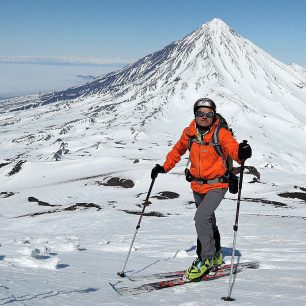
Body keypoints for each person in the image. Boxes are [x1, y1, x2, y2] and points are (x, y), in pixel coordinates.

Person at [151, 98, 252, 280]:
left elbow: (233, 149)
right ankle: (215, 254)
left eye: (209, 114)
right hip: (197, 184)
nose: (204, 117)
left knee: (201, 217)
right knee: (208, 220)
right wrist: (164, 167)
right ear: (195, 114)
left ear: (214, 115)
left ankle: (205, 259)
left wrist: (242, 153)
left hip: (217, 184)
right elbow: (177, 150)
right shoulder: (189, 132)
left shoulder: (220, 134)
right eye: (200, 113)